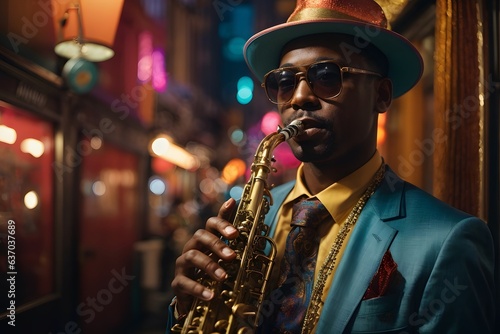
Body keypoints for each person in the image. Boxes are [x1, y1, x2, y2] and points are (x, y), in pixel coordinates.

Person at [167, 0, 496, 333]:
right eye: (284, 81)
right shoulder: (247, 223)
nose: (298, 98)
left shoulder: (447, 242)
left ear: (381, 95)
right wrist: (187, 310)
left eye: (326, 75)